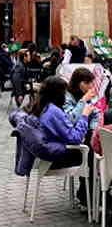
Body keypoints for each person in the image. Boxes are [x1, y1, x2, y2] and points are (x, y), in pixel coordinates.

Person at [31, 75, 95, 170]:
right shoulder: (53, 111)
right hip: (54, 158)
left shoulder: (42, 106)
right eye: (64, 92)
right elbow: (75, 138)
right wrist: (84, 116)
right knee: (91, 147)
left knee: (89, 140)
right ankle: (89, 183)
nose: (65, 96)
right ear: (58, 94)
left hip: (45, 154)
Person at [63, 67, 100, 206]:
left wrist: (93, 129)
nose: (91, 86)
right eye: (88, 82)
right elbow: (70, 120)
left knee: (97, 150)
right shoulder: (67, 97)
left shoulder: (88, 95)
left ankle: (92, 193)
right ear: (80, 83)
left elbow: (95, 114)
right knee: (92, 155)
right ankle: (88, 196)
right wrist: (83, 101)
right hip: (72, 142)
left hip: (85, 136)